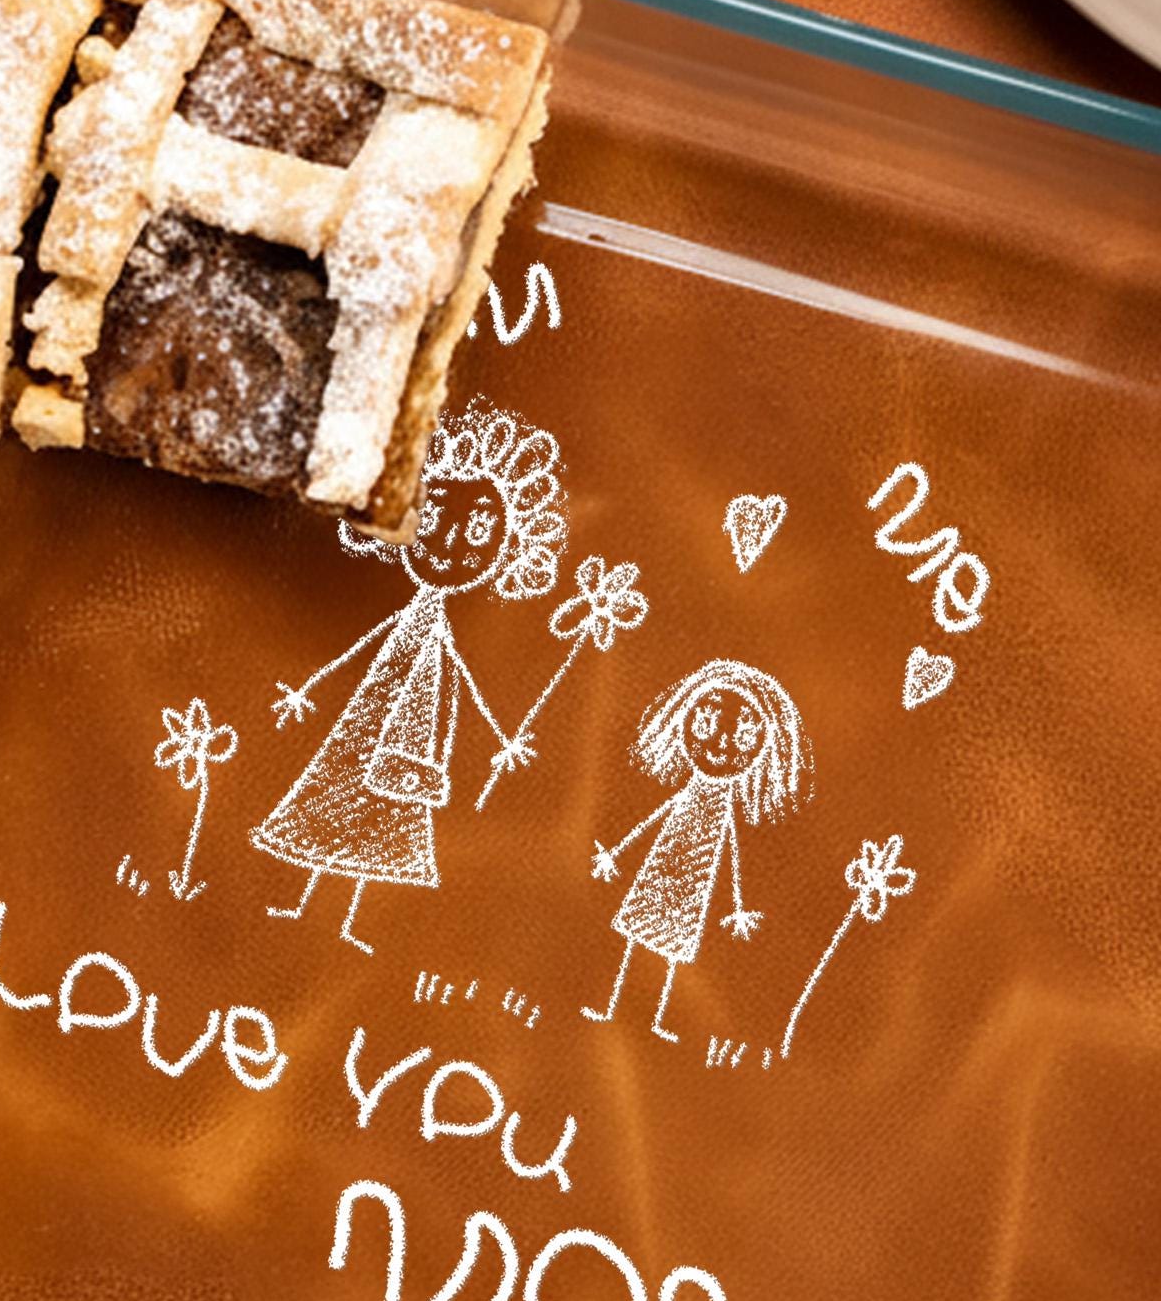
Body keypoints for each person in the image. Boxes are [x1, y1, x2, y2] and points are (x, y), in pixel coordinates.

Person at [252, 403, 566, 952]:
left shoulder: (441, 631)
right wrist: (308, 687)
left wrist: (498, 735)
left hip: (411, 736)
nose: (450, 541)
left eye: (479, 532)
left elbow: (458, 678)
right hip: (371, 718)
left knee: (378, 825)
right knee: (341, 800)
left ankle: (345, 919)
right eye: (439, 516)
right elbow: (364, 649)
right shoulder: (409, 619)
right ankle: (300, 901)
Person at [584, 659, 813, 1041]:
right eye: (706, 724)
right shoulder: (692, 794)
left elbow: (730, 848)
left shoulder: (720, 806)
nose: (721, 744)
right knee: (638, 934)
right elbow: (659, 816)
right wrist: (616, 853)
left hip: (694, 876)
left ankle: (654, 1018)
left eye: (742, 737)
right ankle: (612, 1005)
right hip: (667, 863)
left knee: (672, 945)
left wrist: (737, 904)